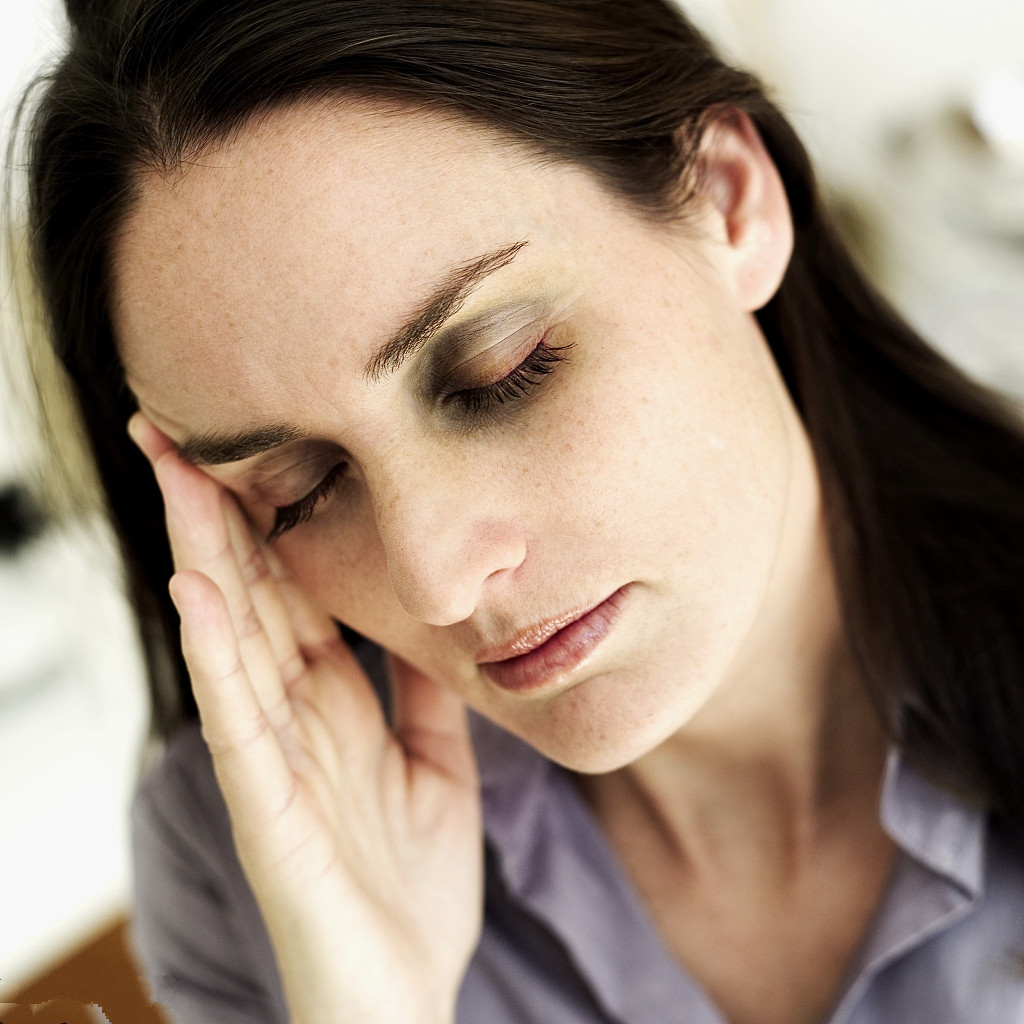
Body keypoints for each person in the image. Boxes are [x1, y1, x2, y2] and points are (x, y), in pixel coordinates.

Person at [18, 0, 1024, 1021]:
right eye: (302, 490)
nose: (437, 580)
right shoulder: (249, 861)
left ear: (727, 198)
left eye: (504, 372)